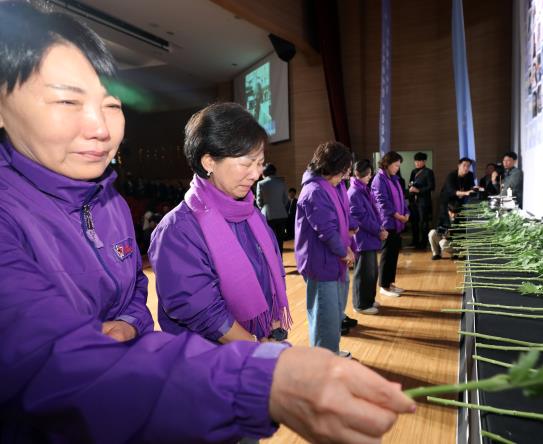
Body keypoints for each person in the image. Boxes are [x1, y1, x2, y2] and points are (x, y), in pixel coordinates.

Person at [0, 2, 414, 442]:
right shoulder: (176, 228)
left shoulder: (110, 203)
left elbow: (135, 291)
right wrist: (258, 375)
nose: (100, 127)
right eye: (67, 100)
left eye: (111, 104)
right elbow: (51, 363)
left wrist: (127, 325)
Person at [149, 103, 291, 348]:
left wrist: (274, 323)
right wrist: (257, 348)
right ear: (209, 162)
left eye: (260, 163)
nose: (256, 174)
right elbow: (203, 311)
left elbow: (269, 275)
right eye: (247, 164)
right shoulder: (177, 230)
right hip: (210, 364)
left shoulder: (250, 213)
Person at [295, 141, 355, 357]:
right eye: (344, 170)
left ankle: (330, 351)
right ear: (332, 167)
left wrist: (347, 246)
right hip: (320, 262)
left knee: (333, 312)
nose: (346, 176)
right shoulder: (314, 191)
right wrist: (344, 251)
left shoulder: (331, 185)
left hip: (333, 258)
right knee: (324, 315)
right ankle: (323, 360)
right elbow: (327, 231)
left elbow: (340, 221)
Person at [348, 159, 388, 314]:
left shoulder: (362, 189)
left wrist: (380, 228)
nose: (370, 177)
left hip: (370, 237)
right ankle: (361, 304)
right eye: (369, 174)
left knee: (371, 272)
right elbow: (362, 219)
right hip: (362, 239)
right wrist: (378, 230)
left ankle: (369, 300)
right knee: (363, 273)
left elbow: (371, 213)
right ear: (360, 174)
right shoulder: (354, 192)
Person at [372, 151, 409, 298]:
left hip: (397, 222)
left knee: (393, 255)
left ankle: (390, 283)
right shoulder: (379, 179)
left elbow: (402, 198)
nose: (397, 168)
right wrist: (397, 215)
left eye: (399, 166)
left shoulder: (394, 178)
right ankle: (384, 286)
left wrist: (406, 213)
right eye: (395, 165)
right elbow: (382, 202)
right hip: (388, 222)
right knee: (387, 256)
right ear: (387, 164)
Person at [256, 163, 289, 255]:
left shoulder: (261, 183)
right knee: (280, 239)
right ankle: (280, 259)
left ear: (264, 173)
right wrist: (280, 206)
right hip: (281, 214)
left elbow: (259, 201)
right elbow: (286, 199)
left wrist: (264, 208)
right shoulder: (281, 183)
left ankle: (273, 260)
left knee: (269, 239)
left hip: (268, 215)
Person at [408, 151, 435, 249]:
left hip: (423, 201)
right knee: (414, 222)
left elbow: (431, 187)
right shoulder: (413, 171)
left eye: (419, 161)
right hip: (414, 201)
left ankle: (423, 242)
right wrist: (410, 186)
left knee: (423, 222)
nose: (417, 163)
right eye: (416, 161)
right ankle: (415, 241)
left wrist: (418, 190)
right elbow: (410, 182)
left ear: (424, 161)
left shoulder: (428, 172)